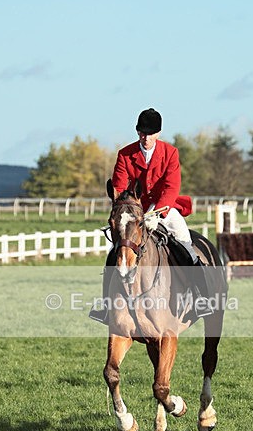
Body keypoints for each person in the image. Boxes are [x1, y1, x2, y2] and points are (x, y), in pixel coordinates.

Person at [89, 108, 210, 323]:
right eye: (142, 134)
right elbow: (119, 185)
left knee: (184, 239)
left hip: (163, 208)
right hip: (134, 209)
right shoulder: (125, 154)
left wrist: (158, 212)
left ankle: (200, 297)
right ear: (137, 132)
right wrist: (123, 205)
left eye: (150, 134)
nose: (145, 139)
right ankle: (106, 306)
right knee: (116, 249)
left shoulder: (170, 153)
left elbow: (172, 187)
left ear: (158, 133)